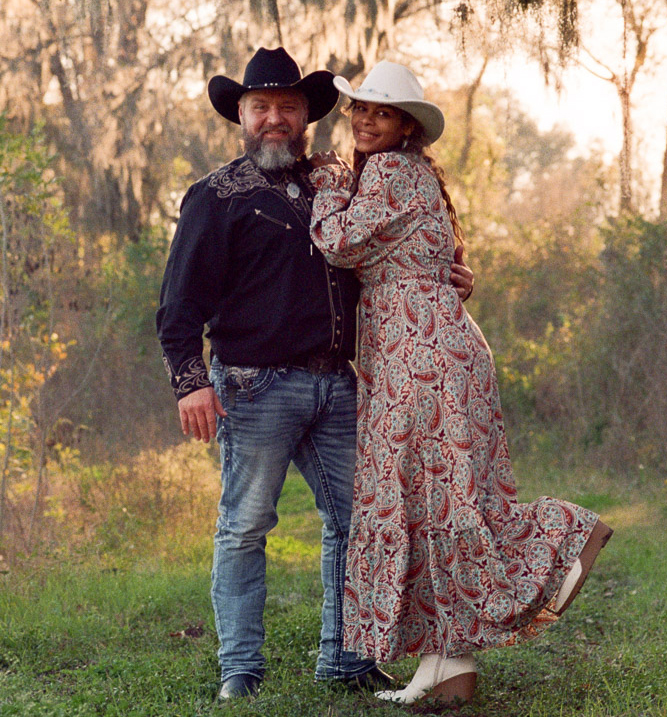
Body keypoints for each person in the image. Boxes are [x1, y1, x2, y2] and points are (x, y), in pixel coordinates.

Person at [155, 47, 474, 700]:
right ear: (241, 115)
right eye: (261, 106)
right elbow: (179, 302)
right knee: (245, 526)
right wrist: (190, 381)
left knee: (359, 520)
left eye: (288, 106)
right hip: (253, 385)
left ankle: (347, 661)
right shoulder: (215, 197)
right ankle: (239, 670)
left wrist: (447, 277)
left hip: (338, 383)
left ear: (306, 115)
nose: (275, 117)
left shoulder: (341, 184)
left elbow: (389, 248)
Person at [308, 61, 614, 707]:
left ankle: (562, 534)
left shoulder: (386, 174)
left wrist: (330, 183)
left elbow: (335, 241)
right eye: (359, 109)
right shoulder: (411, 175)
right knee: (432, 498)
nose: (365, 120)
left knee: (433, 498)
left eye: (381, 113)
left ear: (406, 127)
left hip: (421, 357)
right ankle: (446, 663)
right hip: (432, 348)